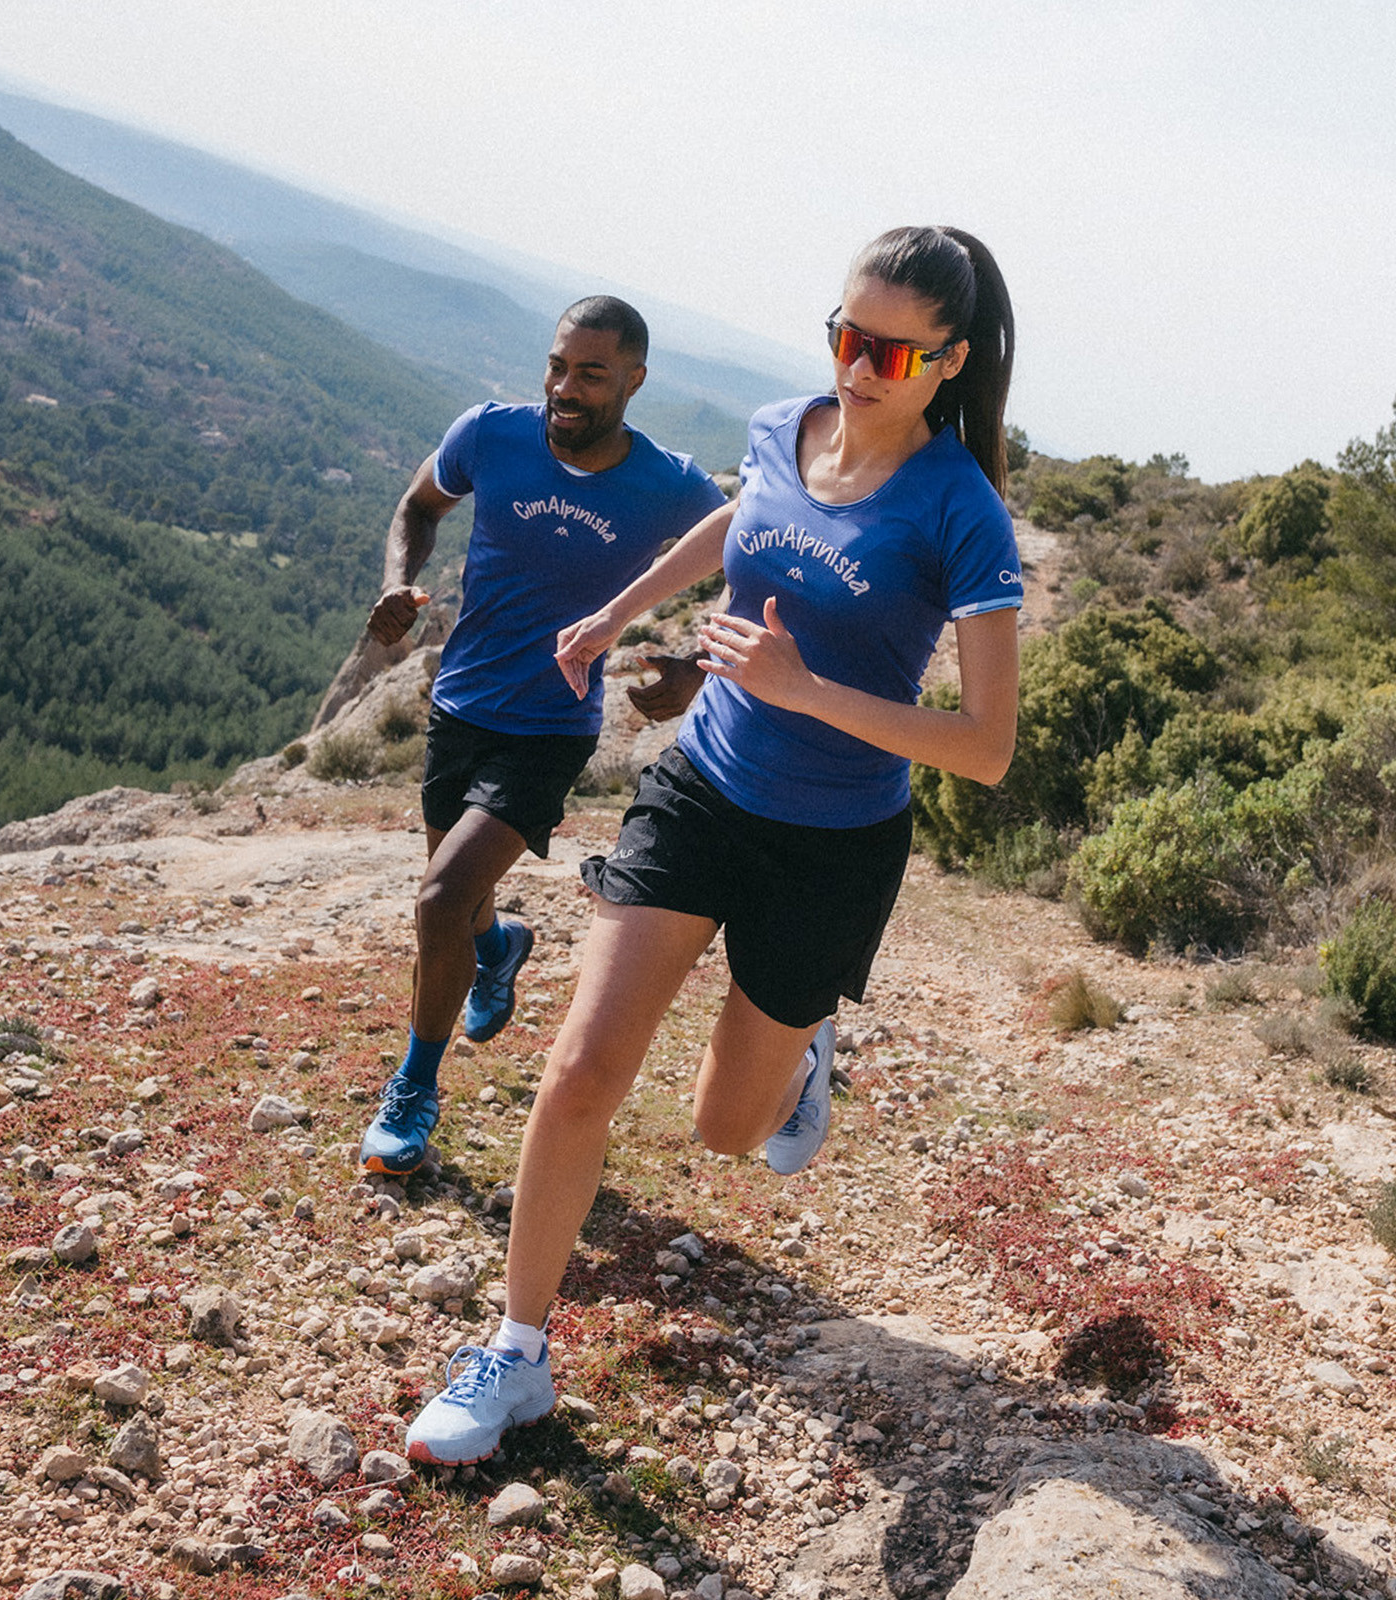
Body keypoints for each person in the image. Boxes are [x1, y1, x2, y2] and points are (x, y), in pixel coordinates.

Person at [403, 227, 1023, 1466]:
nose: (856, 369)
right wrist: (616, 609)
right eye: (843, 335)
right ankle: (515, 1354)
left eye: (890, 353)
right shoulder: (781, 423)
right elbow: (740, 521)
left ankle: (795, 1052)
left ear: (947, 362)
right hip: (700, 789)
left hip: (833, 841)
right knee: (581, 1068)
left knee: (725, 1132)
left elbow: (985, 745)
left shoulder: (960, 511)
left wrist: (806, 689)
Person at [358, 296, 726, 1176]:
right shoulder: (491, 434)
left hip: (552, 725)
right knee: (464, 900)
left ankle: (414, 1090)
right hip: (460, 706)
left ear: (634, 381)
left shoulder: (671, 486)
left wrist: (694, 664)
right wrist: (402, 586)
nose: (564, 387)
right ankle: (501, 947)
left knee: (442, 896)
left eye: (591, 374)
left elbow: (751, 568)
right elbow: (418, 507)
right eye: (558, 366)